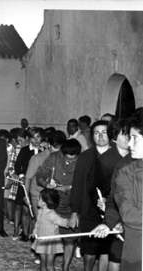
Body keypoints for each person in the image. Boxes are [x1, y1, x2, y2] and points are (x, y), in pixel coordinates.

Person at [93, 113, 143, 270]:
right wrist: (109, 222)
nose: (130, 144)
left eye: (135, 138)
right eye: (129, 137)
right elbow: (125, 211)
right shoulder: (125, 171)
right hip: (136, 250)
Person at [90, 118, 130, 271]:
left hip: (126, 216)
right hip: (110, 211)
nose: (128, 139)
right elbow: (94, 187)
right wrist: (101, 201)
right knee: (112, 254)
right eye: (125, 134)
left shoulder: (133, 159)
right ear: (115, 137)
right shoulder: (106, 160)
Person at [70, 120, 110, 271]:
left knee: (107, 250)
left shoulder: (117, 156)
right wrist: (74, 212)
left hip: (110, 210)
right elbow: (78, 185)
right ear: (92, 136)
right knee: (90, 249)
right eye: (96, 133)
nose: (100, 136)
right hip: (89, 211)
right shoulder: (85, 157)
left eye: (104, 132)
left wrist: (109, 201)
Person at [36, 138, 81, 271]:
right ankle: (47, 264)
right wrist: (46, 184)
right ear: (62, 152)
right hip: (52, 205)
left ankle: (65, 267)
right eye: (67, 159)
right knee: (49, 239)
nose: (69, 162)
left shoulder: (83, 161)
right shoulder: (53, 157)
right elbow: (40, 175)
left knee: (69, 239)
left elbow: (87, 183)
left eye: (72, 160)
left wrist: (71, 187)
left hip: (71, 205)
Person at [14, 127, 44, 242]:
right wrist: (22, 176)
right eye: (33, 137)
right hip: (25, 182)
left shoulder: (44, 151)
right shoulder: (24, 150)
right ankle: (25, 233)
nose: (36, 140)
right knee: (26, 209)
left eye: (38, 137)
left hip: (38, 184)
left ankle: (33, 233)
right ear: (29, 139)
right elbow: (18, 165)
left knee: (37, 209)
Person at [31, 189, 70, 271]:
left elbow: (61, 221)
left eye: (39, 198)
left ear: (45, 203)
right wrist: (34, 232)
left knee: (49, 265)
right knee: (42, 263)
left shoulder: (51, 214)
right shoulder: (40, 211)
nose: (38, 199)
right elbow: (37, 223)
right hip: (42, 240)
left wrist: (69, 223)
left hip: (51, 242)